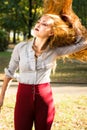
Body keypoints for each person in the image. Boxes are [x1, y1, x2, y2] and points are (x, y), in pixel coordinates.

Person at [0, 13, 87, 130]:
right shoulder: (20, 48)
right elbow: (9, 73)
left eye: (44, 24)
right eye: (39, 22)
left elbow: (83, 43)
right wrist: (1, 98)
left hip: (45, 100)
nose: (39, 24)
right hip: (23, 99)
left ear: (51, 32)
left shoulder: (55, 51)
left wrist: (73, 23)